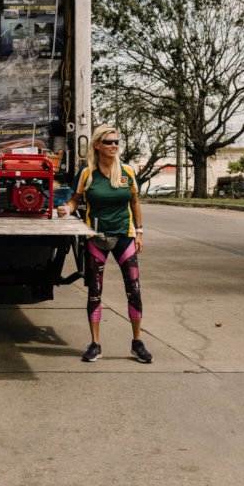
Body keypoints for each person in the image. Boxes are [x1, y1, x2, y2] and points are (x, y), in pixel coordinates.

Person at [58, 124, 151, 364]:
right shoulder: (87, 173)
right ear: (97, 145)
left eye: (116, 142)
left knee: (134, 289)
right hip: (96, 238)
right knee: (94, 293)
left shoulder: (128, 171)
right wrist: (65, 210)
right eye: (109, 142)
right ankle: (95, 344)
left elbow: (135, 202)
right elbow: (75, 200)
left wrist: (139, 232)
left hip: (124, 236)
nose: (114, 146)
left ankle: (137, 342)